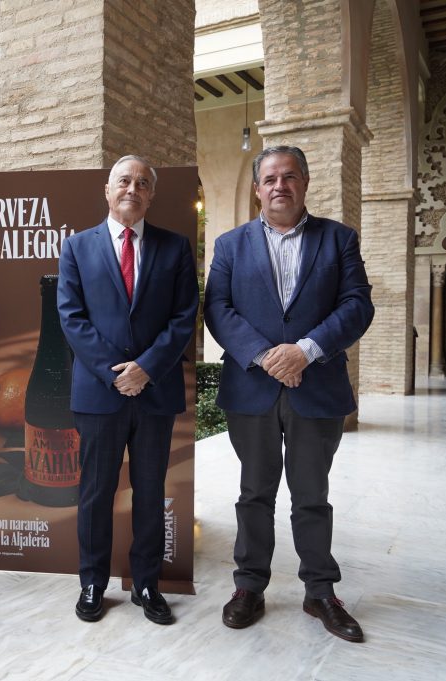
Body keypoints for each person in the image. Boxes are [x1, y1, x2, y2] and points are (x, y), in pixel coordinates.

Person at [204, 145, 374, 643]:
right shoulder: (230, 245)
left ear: (305, 182)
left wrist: (305, 350)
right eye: (270, 178)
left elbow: (357, 304)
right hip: (252, 388)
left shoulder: (338, 239)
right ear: (257, 188)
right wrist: (265, 356)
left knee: (311, 496)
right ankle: (249, 586)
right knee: (254, 493)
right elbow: (217, 308)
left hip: (315, 385)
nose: (280, 185)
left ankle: (320, 591)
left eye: (290, 177)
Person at [57, 155, 198, 624]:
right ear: (107, 189)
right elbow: (71, 318)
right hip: (100, 393)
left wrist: (147, 369)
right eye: (124, 181)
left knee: (150, 491)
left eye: (141, 183)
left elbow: (183, 318)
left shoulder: (175, 248)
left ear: (151, 194)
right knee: (95, 492)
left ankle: (147, 584)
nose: (132, 189)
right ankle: (93, 583)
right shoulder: (76, 248)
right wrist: (115, 372)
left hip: (154, 393)